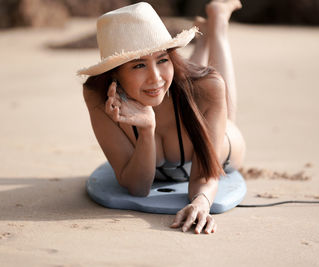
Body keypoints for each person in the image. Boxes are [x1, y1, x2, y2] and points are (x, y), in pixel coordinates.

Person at [79, 0, 245, 234]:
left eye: (163, 59)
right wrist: (147, 129)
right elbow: (137, 187)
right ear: (114, 73)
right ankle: (204, 38)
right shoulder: (98, 96)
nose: (155, 76)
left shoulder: (208, 87)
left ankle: (217, 28)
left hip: (222, 148)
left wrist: (201, 202)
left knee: (211, 92)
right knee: (183, 85)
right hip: (178, 97)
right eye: (138, 65)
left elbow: (205, 175)